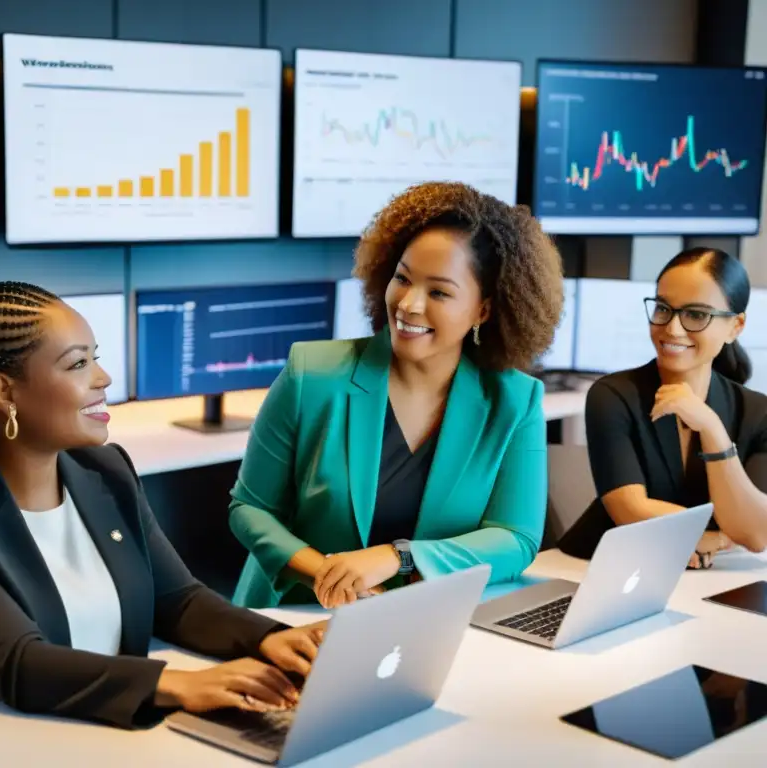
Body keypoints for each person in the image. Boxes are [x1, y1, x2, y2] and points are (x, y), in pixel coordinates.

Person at [0, 282, 323, 768]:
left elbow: (177, 601)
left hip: (94, 734)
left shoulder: (105, 472)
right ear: (5, 391)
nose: (103, 378)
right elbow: (17, 665)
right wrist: (178, 684)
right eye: (77, 364)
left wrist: (267, 637)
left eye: (95, 358)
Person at [229, 182, 565, 610]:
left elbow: (515, 538)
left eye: (439, 292)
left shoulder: (515, 401)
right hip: (300, 614)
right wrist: (326, 575)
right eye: (402, 279)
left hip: (429, 621)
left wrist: (398, 557)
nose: (408, 304)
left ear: (484, 309)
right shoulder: (311, 374)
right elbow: (250, 509)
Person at [558, 248, 767, 566]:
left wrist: (712, 429)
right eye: (663, 308)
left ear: (735, 326)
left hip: (704, 578)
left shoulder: (758, 412)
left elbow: (754, 534)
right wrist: (713, 537)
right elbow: (629, 508)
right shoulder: (613, 395)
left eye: (696, 315)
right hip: (605, 567)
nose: (672, 328)